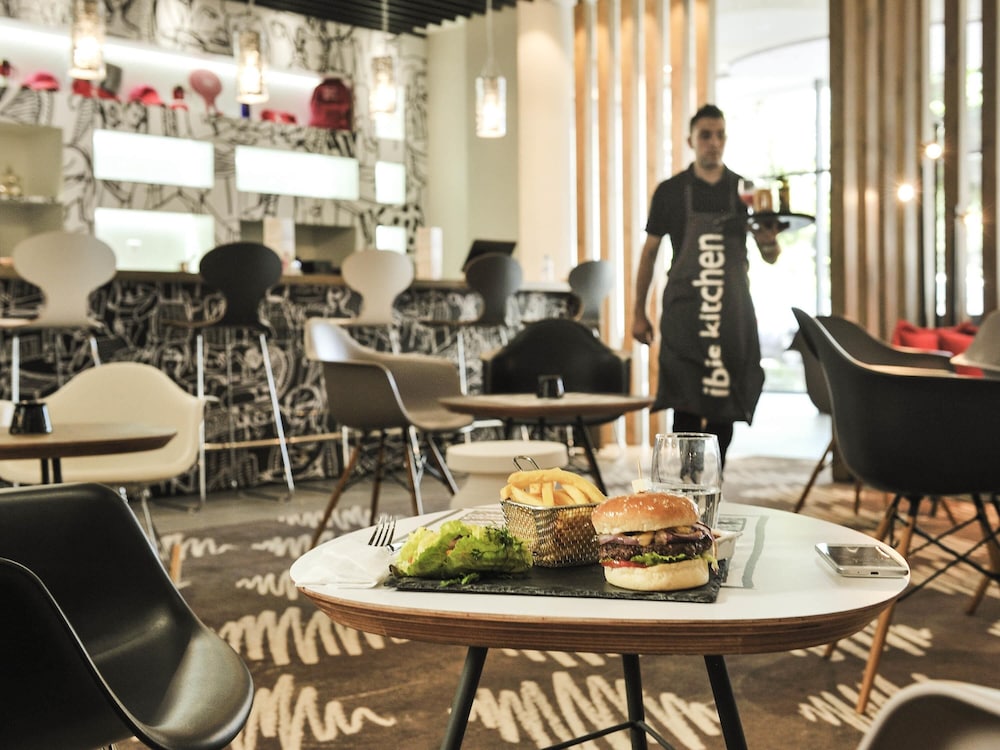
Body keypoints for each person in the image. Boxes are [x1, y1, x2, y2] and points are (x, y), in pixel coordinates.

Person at [632, 103, 782, 465]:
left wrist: (769, 241)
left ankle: (715, 475)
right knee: (684, 401)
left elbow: (771, 254)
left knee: (723, 403)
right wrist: (638, 312)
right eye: (705, 135)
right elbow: (649, 253)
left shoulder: (745, 192)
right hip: (684, 315)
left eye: (720, 135)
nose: (713, 142)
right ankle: (685, 481)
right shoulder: (670, 191)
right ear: (691, 141)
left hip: (730, 316)